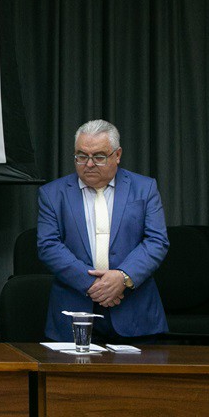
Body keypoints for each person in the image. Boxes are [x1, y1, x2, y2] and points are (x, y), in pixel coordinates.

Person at [37, 119, 169, 341]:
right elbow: (48, 246)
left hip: (134, 310)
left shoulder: (144, 188)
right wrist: (93, 285)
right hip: (74, 311)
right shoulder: (52, 194)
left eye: (98, 157)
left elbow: (156, 241)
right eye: (81, 156)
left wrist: (122, 277)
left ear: (117, 155)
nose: (88, 164)